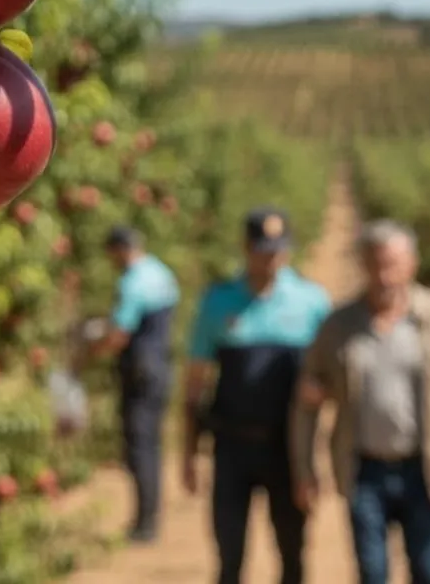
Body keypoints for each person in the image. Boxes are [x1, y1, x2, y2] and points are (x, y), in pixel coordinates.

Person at [291, 219, 430, 584]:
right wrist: (305, 470)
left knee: (428, 572)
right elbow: (307, 400)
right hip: (363, 469)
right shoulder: (339, 326)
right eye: (376, 265)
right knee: (372, 572)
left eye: (393, 265)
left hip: (424, 468)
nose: (385, 276)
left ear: (411, 264)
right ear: (364, 265)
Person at [182, 207, 331, 584]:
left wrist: (317, 459)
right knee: (230, 555)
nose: (271, 258)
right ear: (246, 248)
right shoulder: (218, 302)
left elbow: (330, 379)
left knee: (292, 553)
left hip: (287, 449)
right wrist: (188, 451)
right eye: (263, 249)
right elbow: (196, 380)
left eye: (278, 249)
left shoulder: (311, 302)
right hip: (232, 446)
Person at [86, 225, 179, 543]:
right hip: (160, 368)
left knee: (140, 448)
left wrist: (89, 352)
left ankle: (145, 524)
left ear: (121, 249)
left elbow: (119, 334)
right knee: (151, 445)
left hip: (139, 373)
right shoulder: (161, 273)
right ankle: (149, 517)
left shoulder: (132, 282)